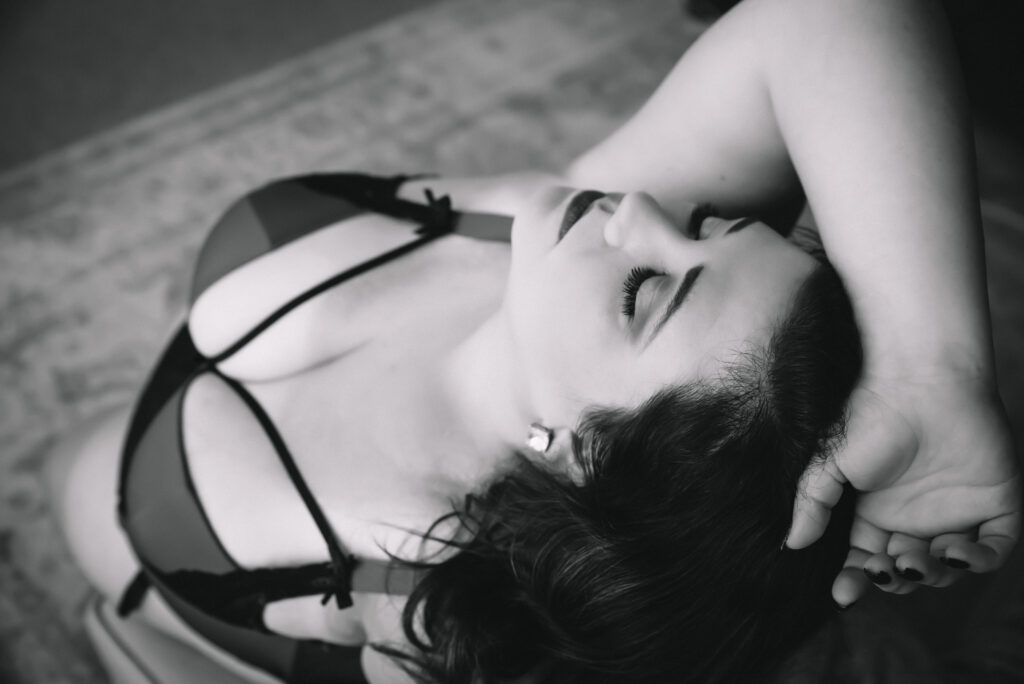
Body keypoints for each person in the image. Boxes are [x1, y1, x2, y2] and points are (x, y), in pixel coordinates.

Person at [46, 0, 1019, 682]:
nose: (640, 210)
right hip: (158, 427)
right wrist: (931, 370)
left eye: (646, 290)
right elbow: (829, 16)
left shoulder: (416, 593)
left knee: (69, 488)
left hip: (166, 557)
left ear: (576, 451)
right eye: (713, 231)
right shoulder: (576, 229)